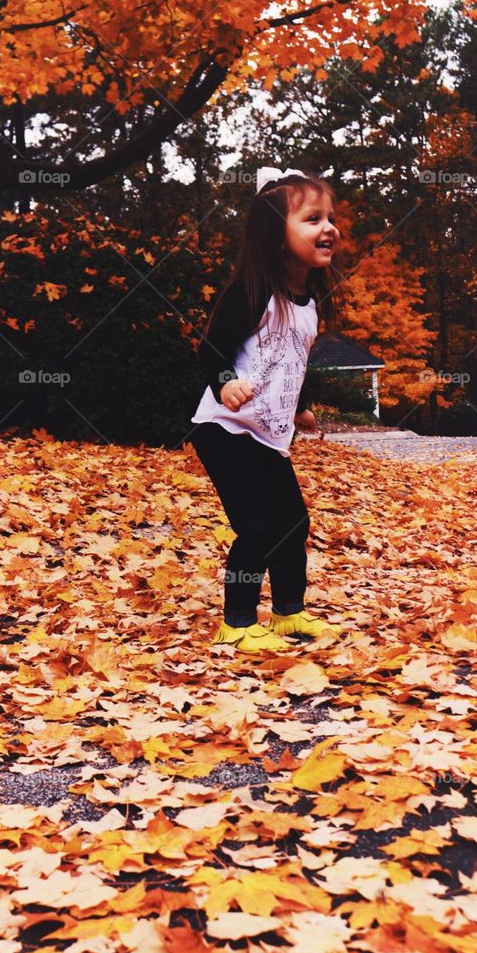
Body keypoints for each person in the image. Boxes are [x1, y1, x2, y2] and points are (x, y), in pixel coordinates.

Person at [188, 165, 346, 654]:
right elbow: (210, 352)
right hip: (224, 428)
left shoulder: (309, 304)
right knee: (256, 524)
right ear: (275, 236)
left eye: (330, 218)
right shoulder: (251, 293)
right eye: (312, 219)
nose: (328, 228)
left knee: (292, 523)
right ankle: (236, 621)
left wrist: (299, 409)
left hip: (268, 435)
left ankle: (287, 613)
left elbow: (288, 364)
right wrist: (225, 382)